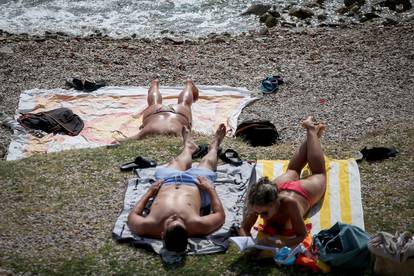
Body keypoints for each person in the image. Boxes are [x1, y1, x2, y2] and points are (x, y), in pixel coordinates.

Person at [127, 124, 226, 252]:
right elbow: (220, 215)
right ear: (188, 233)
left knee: (176, 162)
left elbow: (133, 215)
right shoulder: (198, 226)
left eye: (171, 221)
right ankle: (214, 146)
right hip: (196, 184)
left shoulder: (147, 226)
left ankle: (189, 147)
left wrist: (150, 192)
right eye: (180, 221)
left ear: (162, 235)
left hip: (167, 181)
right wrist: (209, 189)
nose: (175, 216)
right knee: (206, 164)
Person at [239, 116, 326, 248]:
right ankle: (312, 135)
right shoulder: (257, 203)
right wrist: (248, 245)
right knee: (293, 170)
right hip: (280, 187)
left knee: (319, 172)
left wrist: (282, 243)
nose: (261, 218)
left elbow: (302, 235)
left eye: (264, 213)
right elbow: (244, 228)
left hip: (302, 192)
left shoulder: (290, 204)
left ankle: (311, 129)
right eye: (258, 213)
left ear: (276, 202)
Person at [120, 79, 199, 141]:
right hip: (167, 113)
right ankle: (189, 85)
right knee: (184, 103)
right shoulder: (148, 131)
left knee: (183, 104)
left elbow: (128, 140)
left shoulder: (149, 131)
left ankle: (154, 85)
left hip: (172, 113)